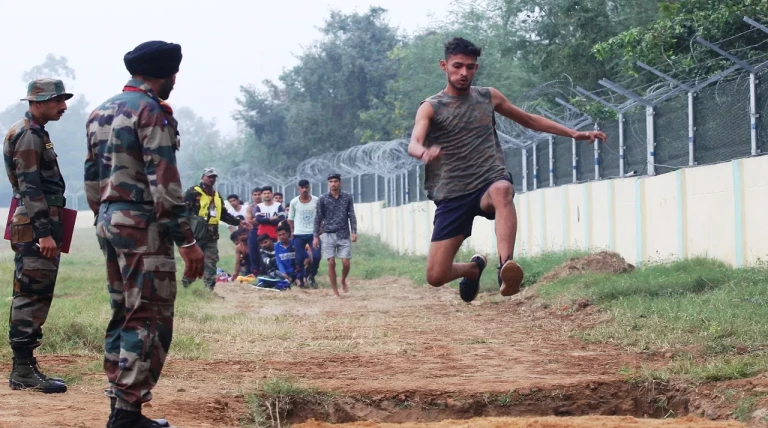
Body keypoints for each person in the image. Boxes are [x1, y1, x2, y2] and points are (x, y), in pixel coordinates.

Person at [407, 37, 607, 303]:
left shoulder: (488, 97)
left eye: (470, 66)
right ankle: (474, 268)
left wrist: (573, 133)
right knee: (435, 276)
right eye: (457, 66)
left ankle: (506, 268)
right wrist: (424, 152)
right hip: (452, 193)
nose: (464, 72)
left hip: (487, 181)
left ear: (476, 68)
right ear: (444, 65)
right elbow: (414, 143)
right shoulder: (431, 106)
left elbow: (528, 119)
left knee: (503, 190)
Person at [84, 40, 205, 428]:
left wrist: (108, 216)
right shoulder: (151, 112)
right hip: (142, 227)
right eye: (174, 75)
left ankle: (119, 406)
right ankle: (128, 414)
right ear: (164, 74)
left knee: (124, 312)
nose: (175, 82)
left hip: (109, 219)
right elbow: (165, 183)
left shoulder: (99, 112)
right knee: (149, 315)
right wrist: (186, 240)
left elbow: (90, 179)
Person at [3, 78, 72, 394]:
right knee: (31, 293)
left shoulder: (33, 132)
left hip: (37, 223)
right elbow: (31, 186)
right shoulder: (29, 135)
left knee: (35, 292)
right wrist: (44, 233)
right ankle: (22, 370)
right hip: (36, 226)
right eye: (59, 100)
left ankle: (26, 366)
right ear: (40, 101)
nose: (63, 106)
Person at [182, 168, 250, 290]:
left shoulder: (217, 195)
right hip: (195, 235)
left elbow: (223, 214)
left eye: (214, 177)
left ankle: (209, 290)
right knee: (193, 262)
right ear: (202, 177)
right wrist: (184, 233)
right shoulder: (193, 192)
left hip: (211, 236)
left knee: (211, 262)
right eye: (209, 176)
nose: (212, 179)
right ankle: (186, 287)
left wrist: (239, 222)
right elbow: (183, 213)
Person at [313, 173, 357, 297]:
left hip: (343, 233)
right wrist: (316, 236)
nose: (333, 184)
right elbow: (318, 218)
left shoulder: (347, 197)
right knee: (331, 262)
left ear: (340, 182)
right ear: (328, 183)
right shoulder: (323, 198)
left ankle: (343, 280)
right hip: (328, 234)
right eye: (331, 181)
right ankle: (335, 291)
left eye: (335, 181)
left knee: (346, 262)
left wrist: (354, 231)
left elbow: (351, 215)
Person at [288, 179, 321, 288]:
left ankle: (311, 275)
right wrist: (292, 230)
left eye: (306, 187)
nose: (304, 190)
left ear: (309, 188)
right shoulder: (294, 202)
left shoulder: (316, 200)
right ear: (299, 189)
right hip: (299, 234)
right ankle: (300, 277)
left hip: (313, 234)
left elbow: (321, 216)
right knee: (299, 258)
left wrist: (321, 229)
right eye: (302, 188)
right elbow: (290, 218)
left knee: (316, 256)